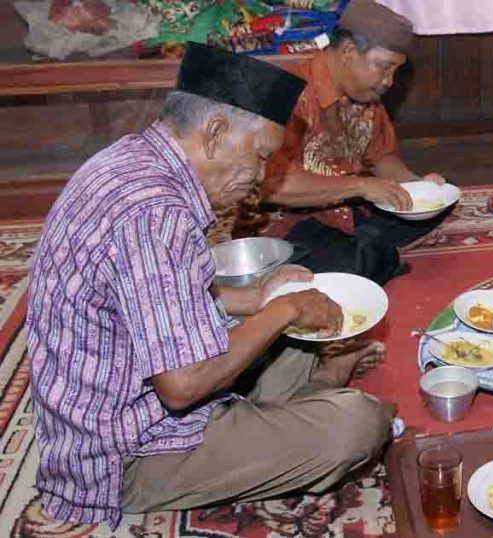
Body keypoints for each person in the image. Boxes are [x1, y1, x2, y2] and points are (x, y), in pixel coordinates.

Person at [26, 43, 395, 526]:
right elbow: (182, 387)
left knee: (296, 332)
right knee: (357, 426)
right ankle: (323, 389)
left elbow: (157, 299)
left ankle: (307, 391)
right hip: (126, 455)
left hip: (119, 403)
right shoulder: (157, 213)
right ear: (217, 133)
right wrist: (279, 312)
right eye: (262, 157)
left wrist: (263, 296)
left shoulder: (130, 161)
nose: (262, 177)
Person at [216, 0, 446, 264]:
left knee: (442, 197)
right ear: (348, 51)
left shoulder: (364, 94)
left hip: (350, 207)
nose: (389, 82)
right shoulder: (285, 93)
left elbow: (381, 156)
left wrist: (416, 186)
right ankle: (368, 251)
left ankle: (369, 248)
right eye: (384, 67)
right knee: (348, 263)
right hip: (287, 221)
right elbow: (272, 184)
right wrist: (360, 186)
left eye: (395, 71)